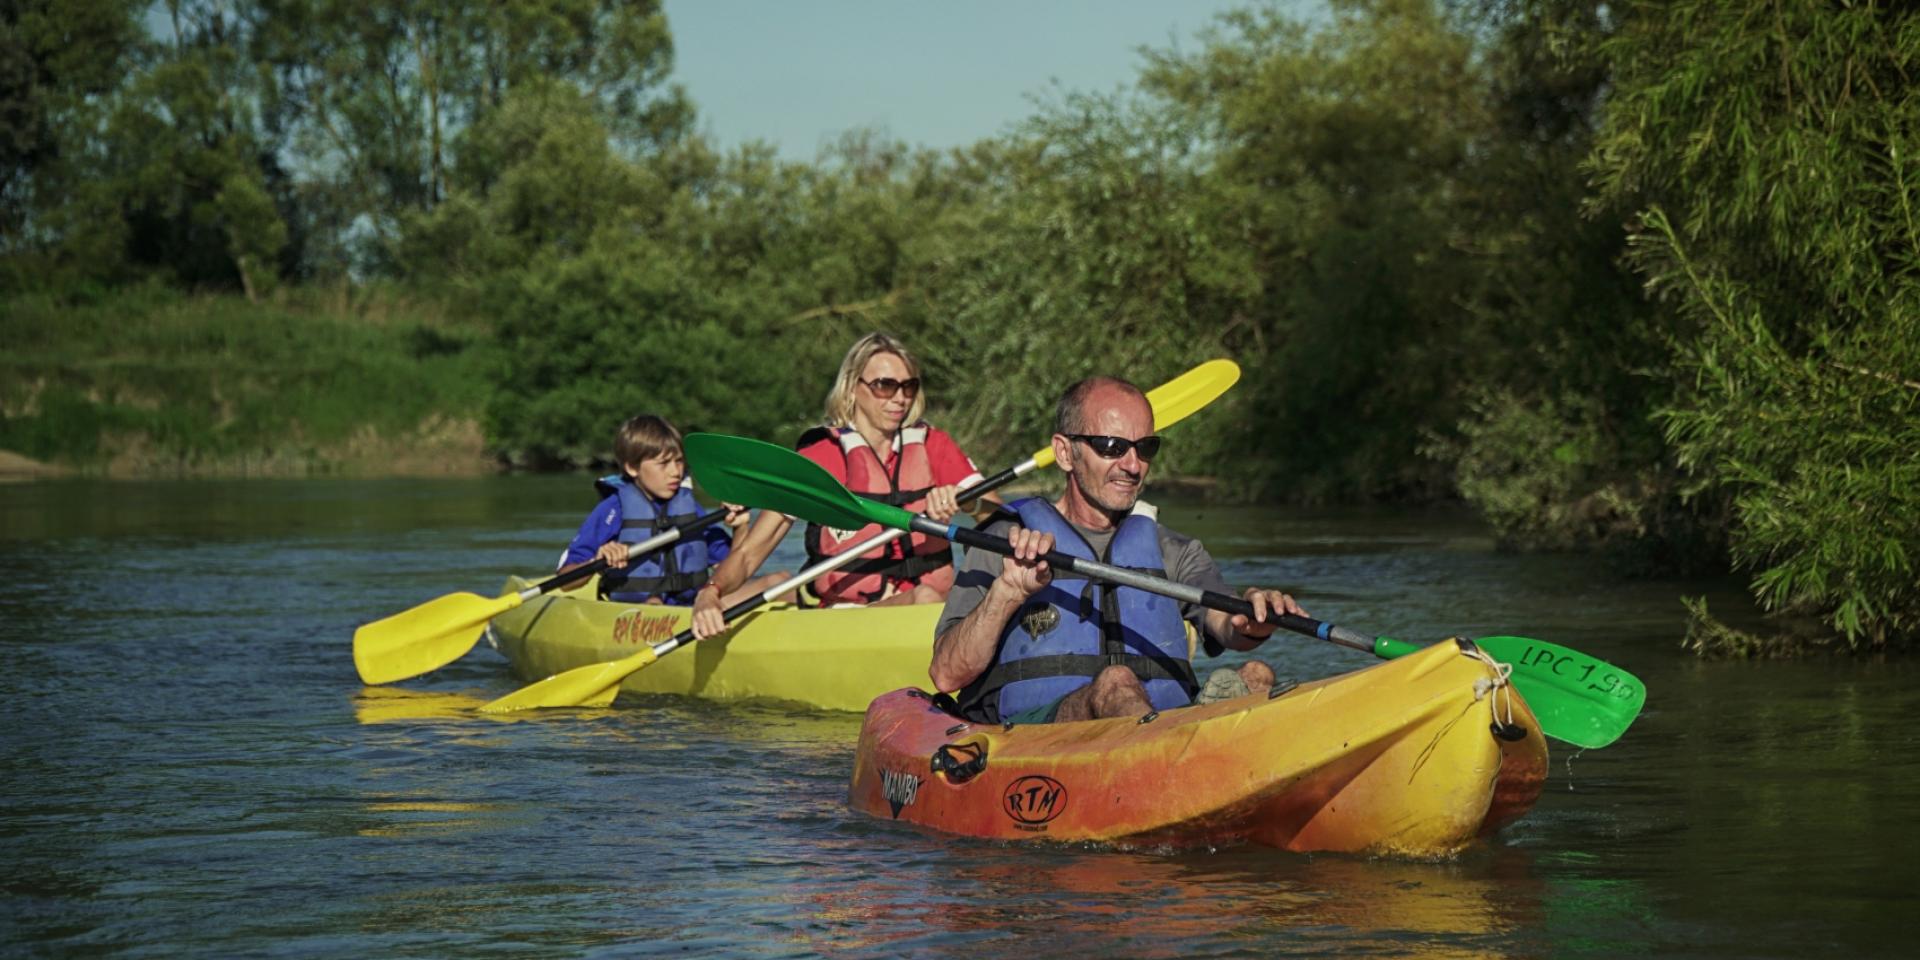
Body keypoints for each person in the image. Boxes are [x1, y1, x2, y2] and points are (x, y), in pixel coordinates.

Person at [929, 376, 1304, 724]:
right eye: (1112, 447)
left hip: (1158, 728)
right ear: (1065, 453)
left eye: (1146, 448)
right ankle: (1171, 752)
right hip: (1036, 733)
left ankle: (1191, 751)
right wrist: (1008, 592)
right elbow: (946, 675)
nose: (1133, 465)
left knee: (1257, 675)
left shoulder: (1174, 550)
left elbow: (1227, 624)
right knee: (1115, 682)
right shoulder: (1004, 541)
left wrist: (1252, 620)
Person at [690, 332, 994, 639]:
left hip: (931, 609)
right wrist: (710, 592)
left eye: (909, 386)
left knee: (937, 595)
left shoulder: (933, 445)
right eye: (885, 385)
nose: (900, 398)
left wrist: (970, 503)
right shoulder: (823, 455)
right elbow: (750, 553)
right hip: (845, 616)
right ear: (852, 388)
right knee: (925, 597)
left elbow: (1000, 521)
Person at [556, 414, 789, 607]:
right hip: (637, 613)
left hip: (692, 607)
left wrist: (740, 526)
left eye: (678, 461)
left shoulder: (689, 508)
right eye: (663, 464)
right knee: (654, 602)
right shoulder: (612, 510)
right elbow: (566, 580)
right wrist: (599, 559)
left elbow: (732, 570)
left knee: (780, 581)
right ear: (632, 467)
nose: (675, 472)